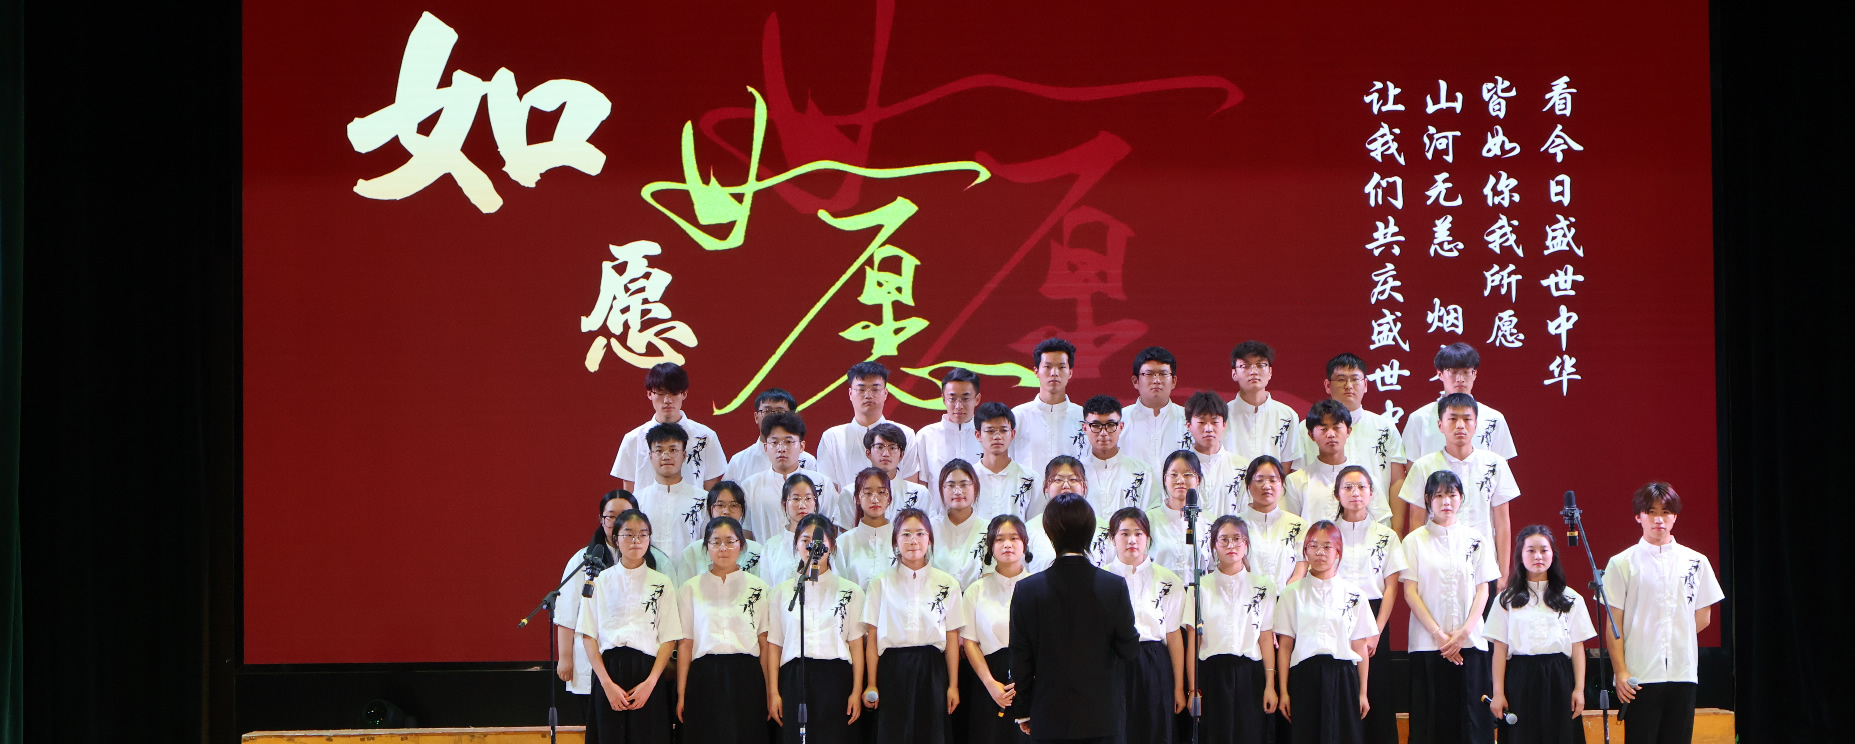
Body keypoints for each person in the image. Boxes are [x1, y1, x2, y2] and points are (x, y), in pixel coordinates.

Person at [1008, 493, 1141, 742]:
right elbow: (1129, 649)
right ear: (1090, 531)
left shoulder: (1027, 590)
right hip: (1102, 717)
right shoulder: (1113, 587)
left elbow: (1020, 659)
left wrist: (1023, 710)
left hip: (1048, 715)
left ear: (1050, 532)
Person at [1603, 483, 1723, 744]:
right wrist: (1620, 671)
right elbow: (1614, 625)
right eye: (1651, 512)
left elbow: (1704, 617)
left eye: (1666, 512)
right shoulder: (1621, 563)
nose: (1659, 519)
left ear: (1675, 516)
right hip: (1639, 675)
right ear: (1639, 516)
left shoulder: (1696, 561)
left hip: (1683, 671)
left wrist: (1673, 634)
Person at [1401, 470, 1501, 744]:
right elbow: (1410, 592)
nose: (1446, 501)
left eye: (1452, 495)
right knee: (1431, 721)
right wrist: (1439, 634)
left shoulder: (1476, 539)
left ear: (1461, 498)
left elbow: (1483, 589)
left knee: (1472, 721)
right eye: (1439, 495)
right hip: (1428, 644)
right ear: (1427, 500)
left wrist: (1464, 633)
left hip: (1470, 643)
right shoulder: (1414, 541)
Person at [577, 509, 684, 743]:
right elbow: (588, 635)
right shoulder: (599, 581)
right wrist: (606, 684)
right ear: (616, 539)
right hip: (608, 672)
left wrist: (651, 683)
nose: (636, 540)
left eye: (642, 534)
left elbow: (669, 638)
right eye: (629, 534)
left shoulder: (662, 583)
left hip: (648, 672)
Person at [863, 507, 966, 744]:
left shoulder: (948, 584)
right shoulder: (880, 583)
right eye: (906, 534)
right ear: (895, 541)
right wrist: (871, 683)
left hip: (932, 669)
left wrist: (953, 685)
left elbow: (952, 639)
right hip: (892, 669)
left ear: (929, 539)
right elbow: (872, 637)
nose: (913, 540)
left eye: (920, 533)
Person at [1486, 526, 1596, 744]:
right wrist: (1498, 693)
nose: (1538, 556)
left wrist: (1579, 690)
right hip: (1520, 678)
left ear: (1553, 555)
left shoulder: (1571, 598)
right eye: (1531, 550)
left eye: (1544, 550)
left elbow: (1577, 648)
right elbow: (1499, 650)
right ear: (1520, 555)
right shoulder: (1506, 600)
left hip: (1559, 677)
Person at [766, 514, 867, 744]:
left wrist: (856, 690)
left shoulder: (851, 592)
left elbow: (855, 645)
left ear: (832, 546)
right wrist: (773, 693)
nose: (813, 547)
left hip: (836, 678)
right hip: (794, 677)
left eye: (820, 541)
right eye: (806, 540)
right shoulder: (780, 593)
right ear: (796, 545)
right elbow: (775, 646)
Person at [1397, 393, 1519, 582]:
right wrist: (1418, 571)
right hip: (1436, 565)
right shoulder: (1423, 466)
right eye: (1453, 419)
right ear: (1440, 425)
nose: (1460, 425)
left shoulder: (1495, 464)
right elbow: (1416, 520)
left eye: (1467, 419)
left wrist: (1503, 572)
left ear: (1476, 424)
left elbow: (1502, 522)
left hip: (1483, 566)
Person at [1273, 520, 1374, 744]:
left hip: (1344, 677)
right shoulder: (1291, 594)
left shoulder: (1355, 595)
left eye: (1327, 546)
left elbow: (1360, 648)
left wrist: (1362, 692)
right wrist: (1284, 691)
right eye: (1313, 546)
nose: (1320, 552)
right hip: (1304, 676)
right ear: (1305, 551)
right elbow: (1285, 647)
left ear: (1338, 551)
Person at [675, 516, 771, 744]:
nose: (723, 548)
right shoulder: (690, 589)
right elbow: (685, 645)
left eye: (730, 541)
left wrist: (769, 690)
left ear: (741, 545)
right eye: (715, 542)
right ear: (706, 547)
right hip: (704, 676)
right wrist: (681, 693)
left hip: (747, 676)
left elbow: (765, 643)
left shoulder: (759, 588)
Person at [1330, 466, 1407, 744]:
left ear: (1372, 493)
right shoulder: (1327, 533)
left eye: (1362, 487)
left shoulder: (1386, 536)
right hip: (1334, 614)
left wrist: (1376, 630)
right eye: (1348, 487)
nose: (1355, 493)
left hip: (1374, 615)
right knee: (1339, 685)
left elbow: (1391, 587)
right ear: (1337, 494)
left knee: (1377, 689)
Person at [1187, 515, 1279, 744]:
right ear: (1213, 545)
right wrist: (1193, 689)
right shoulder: (1199, 588)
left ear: (1246, 544)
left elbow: (1265, 639)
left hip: (1250, 674)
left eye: (1237, 539)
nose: (1231, 545)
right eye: (1224, 539)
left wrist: (1270, 685)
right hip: (1212, 674)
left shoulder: (1264, 587)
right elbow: (1194, 643)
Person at [1104, 506, 1188, 744]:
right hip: (1113, 661)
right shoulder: (1101, 579)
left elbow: (1174, 636)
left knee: (1154, 728)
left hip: (1153, 660)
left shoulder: (1169, 581)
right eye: (1124, 533)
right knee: (1118, 729)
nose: (1132, 540)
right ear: (1113, 539)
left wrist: (1178, 687)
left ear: (1148, 538)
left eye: (1138, 533)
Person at [1297, 354, 1408, 529]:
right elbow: (1297, 479)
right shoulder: (1306, 429)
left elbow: (1396, 481)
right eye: (1341, 379)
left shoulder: (1385, 427)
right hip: (1320, 525)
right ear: (1327, 385)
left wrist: (1397, 530)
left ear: (1365, 385)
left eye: (1355, 379)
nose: (1348, 386)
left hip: (1374, 523)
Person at [961, 515, 1034, 744]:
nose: (1007, 544)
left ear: (1024, 543)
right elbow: (970, 641)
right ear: (991, 547)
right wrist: (990, 683)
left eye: (1014, 538)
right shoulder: (976, 590)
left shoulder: (1039, 587)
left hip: (1031, 679)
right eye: (1000, 539)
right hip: (989, 678)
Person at [610, 362, 724, 491]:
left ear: (684, 394)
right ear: (649, 394)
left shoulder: (706, 437)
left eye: (674, 393)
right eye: (661, 393)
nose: (667, 400)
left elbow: (711, 492)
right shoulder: (633, 439)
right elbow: (629, 493)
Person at [1400, 343, 1517, 463]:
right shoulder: (1419, 418)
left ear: (1475, 374)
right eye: (1454, 372)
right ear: (1440, 374)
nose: (1460, 379)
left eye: (1466, 372)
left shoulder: (1494, 418)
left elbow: (1501, 468)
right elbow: (1411, 468)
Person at [816, 362, 922, 488]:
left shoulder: (905, 434)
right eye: (861, 389)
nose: (868, 395)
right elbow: (827, 491)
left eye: (875, 389)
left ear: (885, 393)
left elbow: (911, 488)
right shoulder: (832, 438)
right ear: (850, 393)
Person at [1286, 400, 1392, 525]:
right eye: (1324, 429)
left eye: (1337, 428)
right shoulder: (1296, 481)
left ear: (1348, 431)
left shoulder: (1367, 480)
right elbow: (1289, 527)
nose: (1331, 434)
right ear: (1311, 435)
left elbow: (1379, 528)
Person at [739, 411, 836, 541]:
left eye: (788, 442)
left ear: (801, 446)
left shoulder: (822, 483)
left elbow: (832, 526)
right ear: (766, 447)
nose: (781, 448)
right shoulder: (750, 486)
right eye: (774, 442)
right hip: (766, 553)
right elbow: (746, 531)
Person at [1009, 338, 1087, 478]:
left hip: (1070, 491)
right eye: (1048, 367)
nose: (1054, 373)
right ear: (1036, 371)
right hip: (1029, 491)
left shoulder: (1083, 418)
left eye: (1061, 367)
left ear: (1070, 372)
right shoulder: (1017, 416)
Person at [1022, 455, 1114, 573]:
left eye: (1073, 479)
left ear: (1084, 486)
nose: (1066, 486)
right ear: (1046, 486)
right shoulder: (1029, 529)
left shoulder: (1104, 529)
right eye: (1058, 480)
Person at [633, 423, 709, 559]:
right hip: (648, 572)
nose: (666, 456)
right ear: (650, 456)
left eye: (673, 450)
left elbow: (709, 544)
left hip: (691, 572)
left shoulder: (703, 500)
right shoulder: (637, 501)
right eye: (659, 451)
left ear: (684, 455)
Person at [1223, 341, 1301, 470]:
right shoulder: (1222, 416)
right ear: (1234, 373)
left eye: (1260, 365)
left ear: (1270, 371)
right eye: (1245, 366)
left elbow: (1288, 464)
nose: (1253, 371)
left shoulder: (1287, 416)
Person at [840, 423, 936, 524]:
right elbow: (846, 532)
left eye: (892, 448)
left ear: (901, 455)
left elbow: (928, 529)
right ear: (868, 453)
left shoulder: (919, 493)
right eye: (880, 447)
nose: (886, 454)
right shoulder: (850, 493)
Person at [1081, 394, 1159, 515]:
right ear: (1085, 428)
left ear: (1121, 427)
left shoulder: (1142, 472)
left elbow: (1152, 514)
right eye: (1096, 426)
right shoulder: (1076, 473)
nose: (1103, 433)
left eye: (1110, 425)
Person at [1121, 346, 1193, 470]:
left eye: (1163, 374)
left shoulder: (1189, 420)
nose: (1157, 380)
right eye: (1149, 374)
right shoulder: (1119, 422)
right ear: (1135, 381)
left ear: (1174, 381)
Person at [723, 387, 817, 481]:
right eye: (767, 411)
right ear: (756, 417)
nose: (773, 416)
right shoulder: (738, 461)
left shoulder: (807, 461)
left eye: (780, 412)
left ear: (792, 416)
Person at [1243, 456, 1309, 587]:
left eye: (1273, 480)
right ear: (1248, 485)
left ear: (1282, 484)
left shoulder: (1298, 526)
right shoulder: (1236, 525)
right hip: (1247, 596)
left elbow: (1301, 565)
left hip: (1287, 596)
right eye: (1259, 480)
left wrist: (1286, 594)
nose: (1266, 486)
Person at [1147, 450, 1214, 580]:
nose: (1180, 480)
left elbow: (1212, 568)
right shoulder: (1149, 520)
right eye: (1174, 474)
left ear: (1198, 479)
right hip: (1161, 591)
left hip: (1198, 591)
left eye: (1187, 474)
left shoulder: (1209, 522)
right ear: (1165, 479)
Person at [676, 482, 765, 579]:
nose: (726, 511)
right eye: (720, 505)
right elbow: (685, 587)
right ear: (710, 510)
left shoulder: (756, 550)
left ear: (742, 511)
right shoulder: (692, 551)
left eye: (733, 506)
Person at [1184, 390, 1248, 517]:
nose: (1208, 428)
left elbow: (1246, 513)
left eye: (1214, 422)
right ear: (1188, 425)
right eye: (1201, 422)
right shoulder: (1177, 467)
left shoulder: (1241, 468)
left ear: (1224, 425)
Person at [972, 402, 1041, 519]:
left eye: (1003, 430)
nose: (997, 436)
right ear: (978, 435)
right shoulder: (968, 479)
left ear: (1012, 434)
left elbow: (1036, 523)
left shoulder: (1030, 478)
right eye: (990, 431)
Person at [918, 368, 987, 481]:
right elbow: (921, 483)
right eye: (952, 399)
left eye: (965, 399)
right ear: (944, 399)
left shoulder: (987, 434)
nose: (958, 406)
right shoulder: (926, 436)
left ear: (977, 399)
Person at [931, 459, 991, 588]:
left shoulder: (989, 530)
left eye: (964, 485)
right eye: (951, 485)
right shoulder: (929, 529)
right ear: (942, 489)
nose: (957, 491)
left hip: (976, 598)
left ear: (975, 488)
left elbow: (990, 579)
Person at [757, 474, 822, 586]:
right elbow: (766, 588)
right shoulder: (771, 546)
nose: (802, 505)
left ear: (815, 502)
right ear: (784, 503)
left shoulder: (825, 543)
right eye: (796, 499)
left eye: (808, 498)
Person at [837, 467, 898, 586]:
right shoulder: (842, 543)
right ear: (857, 498)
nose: (875, 499)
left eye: (881, 492)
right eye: (868, 493)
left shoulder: (900, 540)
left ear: (889, 498)